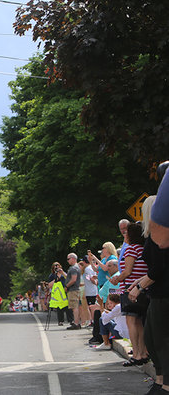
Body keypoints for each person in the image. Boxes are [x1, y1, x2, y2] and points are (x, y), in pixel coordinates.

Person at [136, 167, 169, 394]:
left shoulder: (158, 237)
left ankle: (164, 384)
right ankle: (160, 381)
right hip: (158, 293)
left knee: (161, 340)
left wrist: (138, 286)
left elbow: (158, 268)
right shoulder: (152, 237)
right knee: (152, 336)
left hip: (163, 293)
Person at [110, 222, 149, 367]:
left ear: (131, 235)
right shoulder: (143, 248)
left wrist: (116, 279)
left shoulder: (131, 249)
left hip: (130, 288)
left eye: (126, 233)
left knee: (131, 322)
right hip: (143, 288)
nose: (124, 235)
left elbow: (127, 271)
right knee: (140, 322)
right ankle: (143, 353)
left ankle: (137, 354)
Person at [65, 253, 82, 329]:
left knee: (74, 307)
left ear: (73, 259)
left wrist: (67, 286)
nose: (67, 261)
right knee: (74, 306)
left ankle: (76, 323)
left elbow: (73, 279)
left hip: (73, 289)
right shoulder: (76, 267)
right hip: (75, 289)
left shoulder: (73, 268)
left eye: (68, 259)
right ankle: (76, 322)